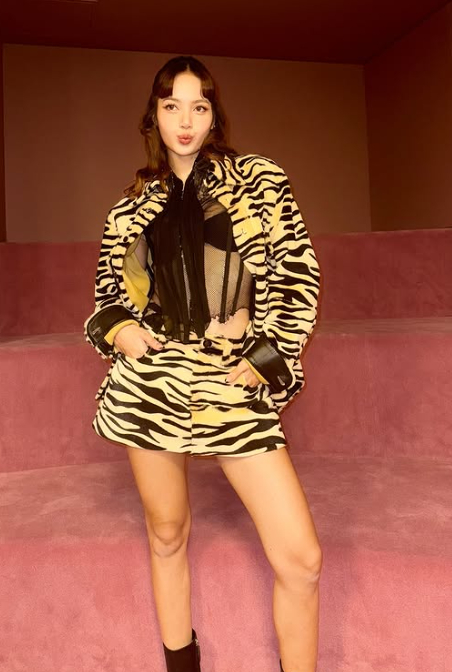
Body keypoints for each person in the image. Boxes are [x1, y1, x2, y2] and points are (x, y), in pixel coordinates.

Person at [83, 55, 322, 672]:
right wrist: (123, 331)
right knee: (167, 533)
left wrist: (266, 355)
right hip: (152, 384)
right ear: (154, 117)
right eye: (171, 107)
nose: (185, 122)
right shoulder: (128, 208)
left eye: (198, 106)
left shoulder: (260, 181)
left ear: (215, 116)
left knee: (301, 559)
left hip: (230, 379)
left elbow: (296, 274)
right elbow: (109, 298)